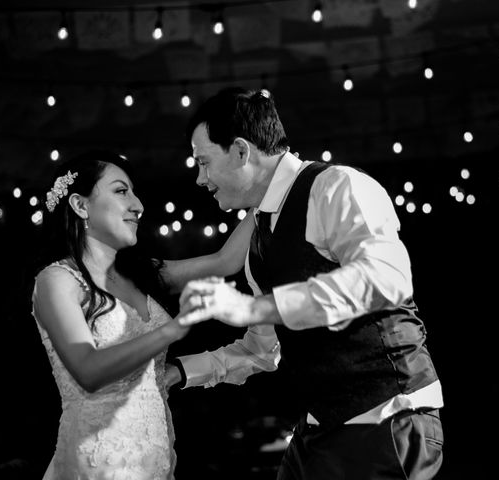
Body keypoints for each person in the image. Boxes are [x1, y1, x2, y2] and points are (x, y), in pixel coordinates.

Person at [174, 87, 445, 480]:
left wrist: (252, 307)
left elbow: (386, 278)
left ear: (240, 151)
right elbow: (261, 350)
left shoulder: (336, 186)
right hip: (318, 430)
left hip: (386, 419)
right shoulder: (256, 237)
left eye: (203, 162)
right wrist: (179, 372)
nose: (199, 178)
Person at [31, 149, 278, 479]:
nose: (138, 205)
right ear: (80, 205)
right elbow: (87, 371)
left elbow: (224, 261)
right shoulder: (57, 281)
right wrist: (173, 330)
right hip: (96, 466)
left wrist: (272, 188)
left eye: (134, 192)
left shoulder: (142, 272)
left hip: (155, 459)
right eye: (121, 191)